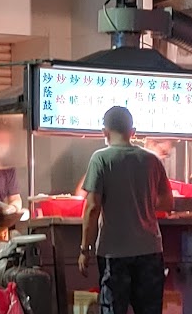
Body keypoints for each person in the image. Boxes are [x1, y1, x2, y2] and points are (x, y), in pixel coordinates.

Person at [77, 106, 174, 314]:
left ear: (104, 132)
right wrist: (142, 201)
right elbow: (168, 203)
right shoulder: (152, 160)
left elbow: (92, 207)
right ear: (133, 132)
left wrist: (85, 249)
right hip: (150, 251)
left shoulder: (101, 159)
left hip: (114, 254)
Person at [75, 138, 174, 198]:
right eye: (164, 152)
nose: (163, 157)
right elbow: (82, 194)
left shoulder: (153, 164)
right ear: (151, 144)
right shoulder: (152, 160)